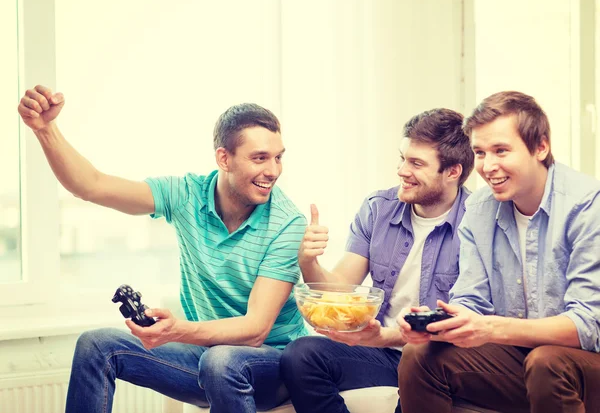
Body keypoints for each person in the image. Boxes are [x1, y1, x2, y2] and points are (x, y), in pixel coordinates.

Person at [17, 85, 309, 413]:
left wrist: (179, 330)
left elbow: (255, 330)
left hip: (275, 371)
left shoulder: (288, 223)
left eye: (278, 157)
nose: (273, 171)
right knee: (96, 345)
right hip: (207, 359)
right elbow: (91, 185)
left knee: (221, 359)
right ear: (223, 158)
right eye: (260, 158)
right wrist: (45, 130)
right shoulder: (186, 195)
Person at [397, 91, 600, 413]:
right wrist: (439, 324)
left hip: (584, 365)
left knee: (546, 361)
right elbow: (471, 300)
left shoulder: (587, 206)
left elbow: (589, 325)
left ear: (541, 147)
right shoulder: (479, 208)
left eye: (501, 151)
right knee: (419, 355)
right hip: (523, 361)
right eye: (480, 152)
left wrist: (491, 328)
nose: (488, 166)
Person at [280, 108, 474, 413]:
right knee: (300, 355)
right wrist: (309, 262)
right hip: (383, 352)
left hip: (436, 357)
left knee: (418, 366)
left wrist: (386, 337)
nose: (401, 171)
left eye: (416, 163)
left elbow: (466, 322)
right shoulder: (379, 209)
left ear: (453, 172)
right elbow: (341, 288)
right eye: (402, 158)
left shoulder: (477, 224)